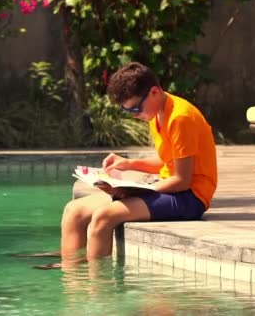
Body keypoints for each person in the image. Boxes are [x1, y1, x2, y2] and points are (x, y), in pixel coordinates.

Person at [60, 61, 217, 266]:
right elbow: (169, 161)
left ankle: (97, 293)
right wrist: (128, 164)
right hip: (169, 189)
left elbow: (182, 180)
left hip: (190, 198)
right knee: (74, 211)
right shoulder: (156, 112)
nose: (135, 114)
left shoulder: (180, 118)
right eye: (128, 111)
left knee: (103, 217)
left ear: (153, 92)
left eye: (135, 108)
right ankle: (71, 282)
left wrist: (139, 190)